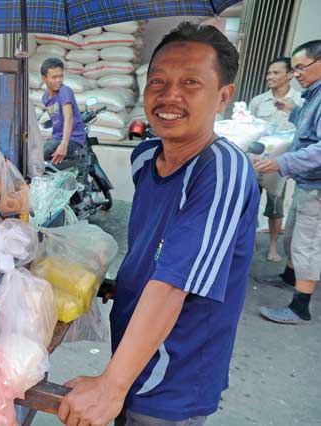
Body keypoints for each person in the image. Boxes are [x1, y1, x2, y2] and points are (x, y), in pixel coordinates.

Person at [58, 22, 259, 426]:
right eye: (158, 82)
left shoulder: (222, 168)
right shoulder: (146, 158)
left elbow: (173, 284)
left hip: (174, 376)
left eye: (191, 82)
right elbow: (157, 246)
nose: (170, 96)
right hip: (133, 354)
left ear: (223, 97)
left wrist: (109, 386)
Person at [256, 40, 321, 325]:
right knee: (294, 234)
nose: (296, 75)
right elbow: (308, 129)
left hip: (317, 187)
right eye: (293, 70)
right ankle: (289, 276)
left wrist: (282, 162)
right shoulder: (313, 96)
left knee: (308, 243)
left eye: (300, 68)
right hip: (307, 183)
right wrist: (292, 110)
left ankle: (300, 308)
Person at [248, 57, 303, 262]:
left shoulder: (299, 102)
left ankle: (273, 246)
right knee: (250, 202)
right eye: (269, 73)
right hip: (257, 161)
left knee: (275, 206)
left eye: (276, 72)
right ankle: (249, 240)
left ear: (289, 74)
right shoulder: (258, 101)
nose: (270, 76)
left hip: (281, 164)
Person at [41, 58, 87, 164]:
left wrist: (64, 144)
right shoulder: (45, 98)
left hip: (74, 140)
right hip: (59, 139)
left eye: (60, 76)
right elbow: (57, 119)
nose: (58, 80)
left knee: (43, 151)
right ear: (44, 78)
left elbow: (68, 118)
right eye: (54, 77)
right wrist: (54, 136)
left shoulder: (64, 91)